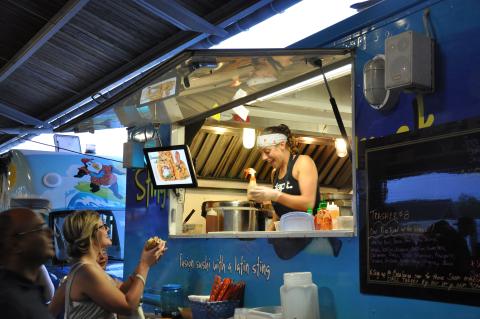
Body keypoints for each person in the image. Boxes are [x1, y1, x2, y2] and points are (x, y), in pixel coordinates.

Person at [50, 210, 166, 318]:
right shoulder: (87, 271)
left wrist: (144, 261)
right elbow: (128, 307)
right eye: (103, 226)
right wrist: (145, 265)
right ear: (90, 233)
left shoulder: (89, 267)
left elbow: (121, 289)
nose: (108, 229)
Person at [249, 124, 319, 230]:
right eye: (261, 153)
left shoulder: (303, 163)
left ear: (282, 144)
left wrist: (275, 195)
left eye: (267, 151)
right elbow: (279, 213)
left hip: (309, 237)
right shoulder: (275, 173)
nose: (263, 158)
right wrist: (269, 231)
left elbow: (308, 203)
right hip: (286, 238)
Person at [0, 208, 55, 319]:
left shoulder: (27, 290)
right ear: (16, 245)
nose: (50, 232)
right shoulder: (9, 304)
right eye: (40, 229)